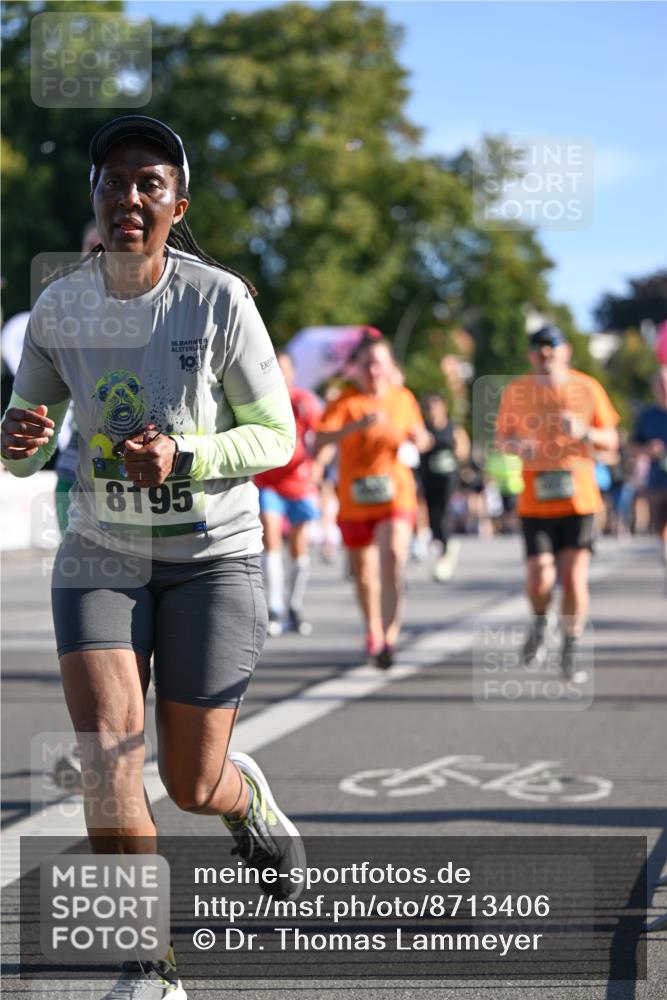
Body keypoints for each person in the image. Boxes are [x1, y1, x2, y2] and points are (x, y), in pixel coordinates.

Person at [0, 115, 304, 1000]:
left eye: (150, 182)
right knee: (106, 753)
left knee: (189, 777)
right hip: (100, 551)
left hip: (212, 556)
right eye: (114, 180)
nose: (130, 197)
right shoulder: (59, 305)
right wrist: (15, 438)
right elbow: (24, 447)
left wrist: (188, 455)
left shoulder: (218, 299)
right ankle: (149, 964)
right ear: (93, 196)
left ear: (177, 202)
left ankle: (241, 797)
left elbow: (277, 436)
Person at [495, 326, 620, 679]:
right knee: (539, 580)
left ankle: (571, 645)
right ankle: (539, 621)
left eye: (552, 346)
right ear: (530, 355)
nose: (545, 353)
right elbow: (502, 439)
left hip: (579, 501)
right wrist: (519, 446)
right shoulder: (517, 391)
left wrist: (585, 432)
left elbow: (612, 439)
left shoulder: (588, 388)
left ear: (566, 351)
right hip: (536, 501)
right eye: (537, 347)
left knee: (574, 577)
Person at [314, 335, 430, 669]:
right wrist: (355, 427)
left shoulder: (403, 399)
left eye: (379, 363)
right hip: (354, 500)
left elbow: (419, 435)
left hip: (396, 494)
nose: (373, 370)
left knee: (392, 557)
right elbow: (320, 439)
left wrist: (421, 439)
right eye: (367, 364)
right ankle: (374, 630)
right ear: (357, 369)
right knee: (365, 575)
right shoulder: (345, 402)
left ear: (390, 366)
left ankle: (389, 640)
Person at [254, 350, 323, 635]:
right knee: (270, 536)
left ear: (293, 373)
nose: (280, 375)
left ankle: (294, 604)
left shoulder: (304, 402)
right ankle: (274, 606)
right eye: (275, 368)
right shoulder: (261, 402)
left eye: (284, 369)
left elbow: (323, 437)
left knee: (298, 544)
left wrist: (318, 467)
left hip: (299, 483)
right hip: (269, 483)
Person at [419, 393, 469, 581]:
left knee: (445, 509)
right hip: (429, 475)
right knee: (432, 511)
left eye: (435, 408)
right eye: (429, 409)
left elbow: (463, 449)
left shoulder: (452, 428)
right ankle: (440, 541)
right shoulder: (423, 429)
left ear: (443, 409)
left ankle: (447, 547)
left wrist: (458, 451)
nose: (432, 413)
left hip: (448, 476)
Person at [632, 368, 667, 584]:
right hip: (657, 482)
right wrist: (647, 449)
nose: (664, 388)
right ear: (654, 388)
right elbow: (632, 446)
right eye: (660, 384)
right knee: (661, 528)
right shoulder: (647, 416)